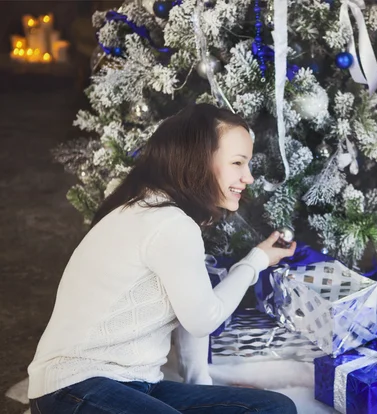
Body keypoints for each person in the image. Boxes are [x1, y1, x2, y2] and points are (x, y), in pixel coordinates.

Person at [27, 103, 298, 414]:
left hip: (136, 384)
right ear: (198, 161)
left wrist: (205, 394)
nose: (248, 177)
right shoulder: (168, 224)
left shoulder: (169, 214)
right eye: (238, 162)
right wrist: (255, 263)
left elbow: (191, 314)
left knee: (273, 409)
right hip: (72, 387)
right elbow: (203, 319)